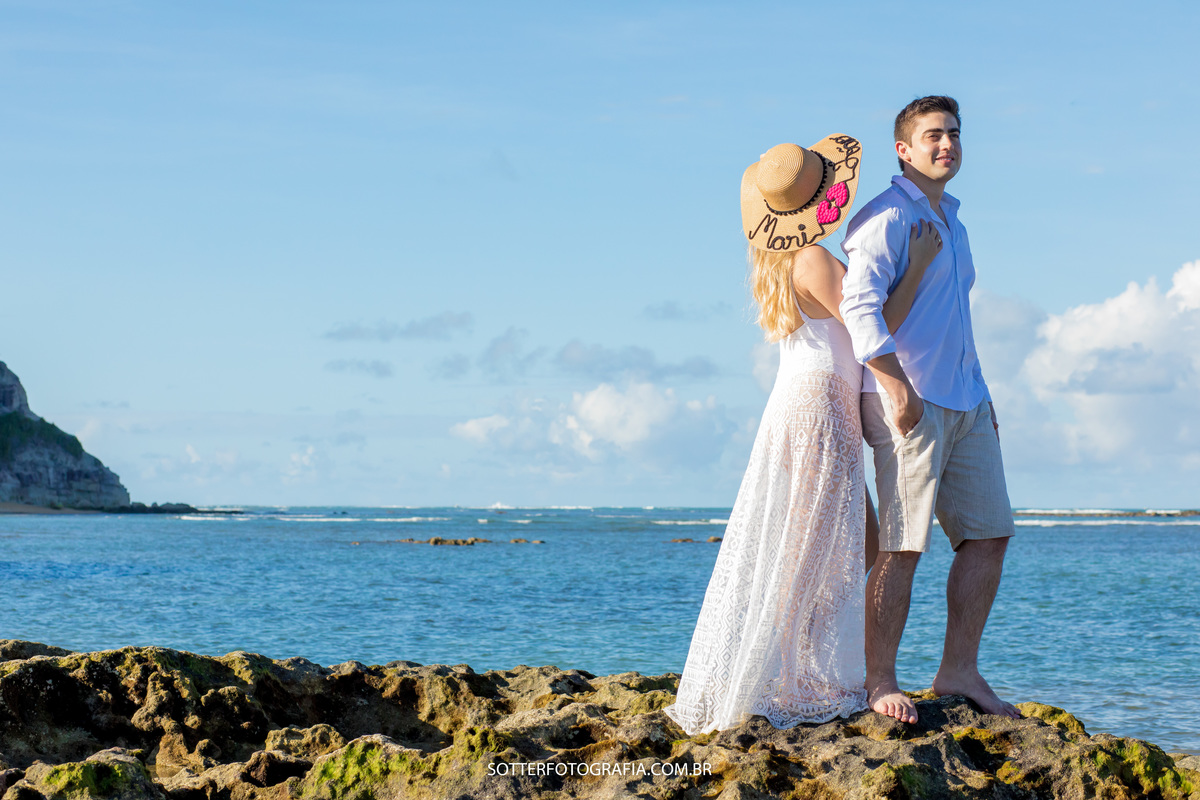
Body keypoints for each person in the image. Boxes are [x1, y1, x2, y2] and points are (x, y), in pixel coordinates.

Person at [664, 134, 942, 735]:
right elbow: (872, 332)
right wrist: (915, 269)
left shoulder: (778, 263)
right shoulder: (813, 259)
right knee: (814, 545)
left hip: (805, 399)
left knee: (854, 542)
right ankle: (786, 670)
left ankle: (799, 661)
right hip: (819, 404)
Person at [839, 95, 1019, 725]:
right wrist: (892, 386)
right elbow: (858, 308)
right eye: (933, 135)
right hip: (908, 400)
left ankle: (958, 669)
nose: (947, 145)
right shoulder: (886, 217)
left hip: (965, 399)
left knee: (990, 534)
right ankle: (879, 680)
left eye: (954, 134)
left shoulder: (953, 222)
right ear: (904, 148)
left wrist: (982, 392)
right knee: (901, 545)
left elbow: (954, 322)